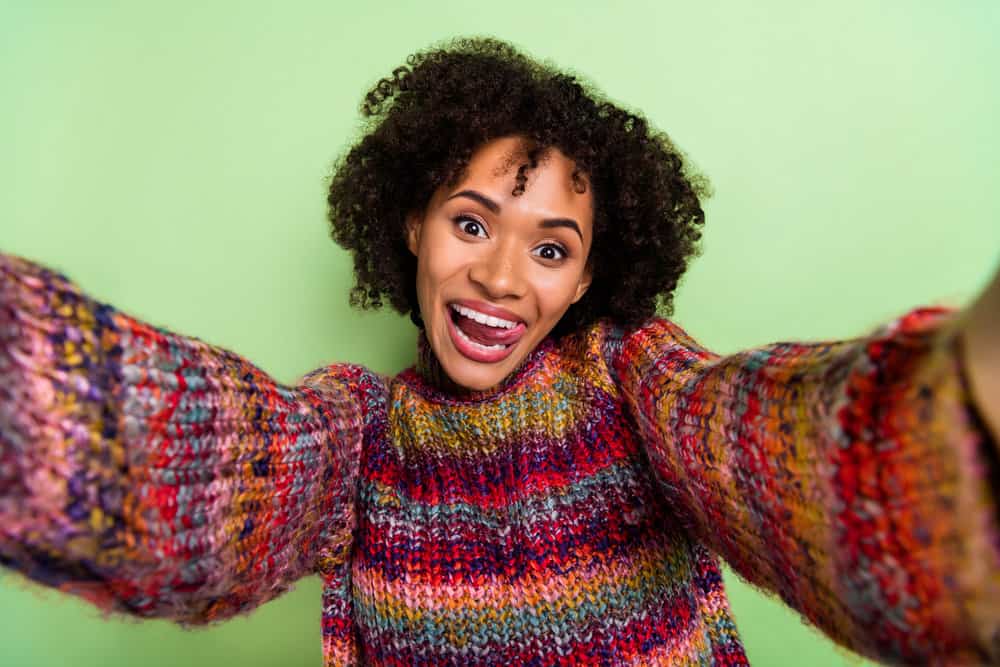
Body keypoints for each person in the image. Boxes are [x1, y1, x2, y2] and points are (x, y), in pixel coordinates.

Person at [1, 37, 998, 666]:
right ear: (410, 224)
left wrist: (962, 400)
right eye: (472, 224)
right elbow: (205, 455)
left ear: (586, 275)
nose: (504, 279)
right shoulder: (357, 436)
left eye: (552, 248)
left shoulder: (632, 380)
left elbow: (797, 457)